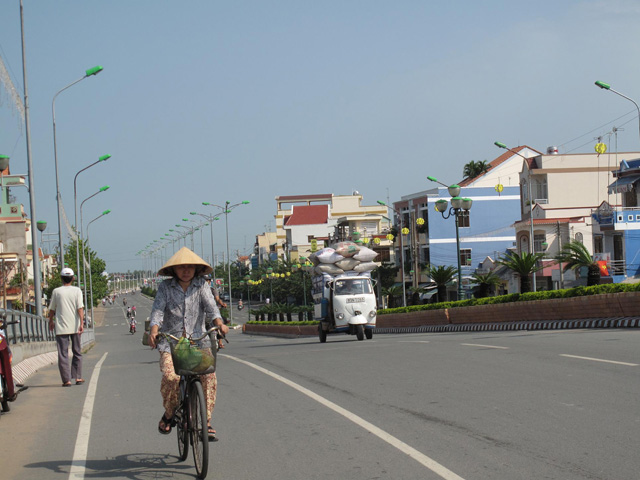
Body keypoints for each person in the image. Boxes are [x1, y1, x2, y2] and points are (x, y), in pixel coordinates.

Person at [148, 247, 229, 441]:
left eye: (190, 267)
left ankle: (206, 422)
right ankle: (169, 413)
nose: (186, 271)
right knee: (171, 378)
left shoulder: (201, 286)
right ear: (174, 270)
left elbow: (212, 309)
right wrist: (154, 331)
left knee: (209, 377)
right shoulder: (165, 288)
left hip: (198, 343)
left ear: (195, 269)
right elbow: (158, 311)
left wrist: (219, 324)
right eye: (182, 267)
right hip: (171, 343)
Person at [48, 267, 85, 387]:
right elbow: (80, 308)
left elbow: (52, 309)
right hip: (74, 326)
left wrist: (51, 321)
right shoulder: (77, 291)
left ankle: (66, 380)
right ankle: (78, 377)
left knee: (63, 354)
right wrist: (81, 323)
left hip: (61, 327)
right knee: (77, 352)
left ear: (61, 278)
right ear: (73, 278)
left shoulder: (56, 291)